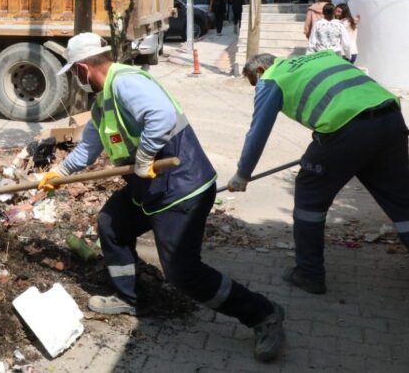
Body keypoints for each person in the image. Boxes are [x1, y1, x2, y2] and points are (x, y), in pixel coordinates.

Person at [39, 33, 285, 362]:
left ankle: (263, 314)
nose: (74, 78)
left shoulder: (126, 83)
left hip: (182, 187)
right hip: (151, 189)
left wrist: (142, 158)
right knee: (111, 222)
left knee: (184, 274)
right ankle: (131, 298)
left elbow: (162, 117)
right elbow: (89, 147)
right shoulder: (103, 100)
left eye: (73, 72)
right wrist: (60, 174)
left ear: (84, 68)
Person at [229, 52, 409, 318]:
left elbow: (258, 130)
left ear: (260, 69)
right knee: (406, 208)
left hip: (345, 129)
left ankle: (309, 274)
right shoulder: (322, 56)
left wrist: (243, 174)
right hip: (389, 120)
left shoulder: (271, 78)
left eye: (253, 81)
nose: (256, 87)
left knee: (309, 197)